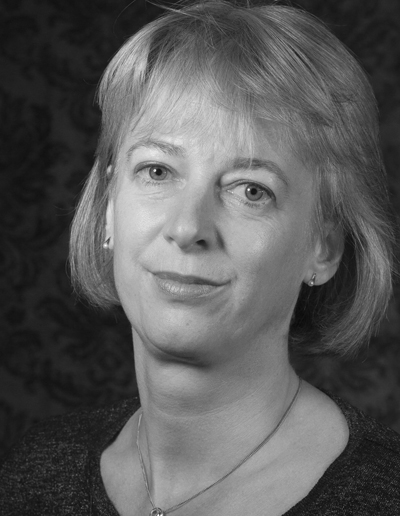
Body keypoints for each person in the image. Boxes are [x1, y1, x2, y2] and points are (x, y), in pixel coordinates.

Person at [1, 0, 399, 514]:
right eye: (158, 171)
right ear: (108, 209)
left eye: (250, 190)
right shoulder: (34, 474)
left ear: (324, 248)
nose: (188, 228)